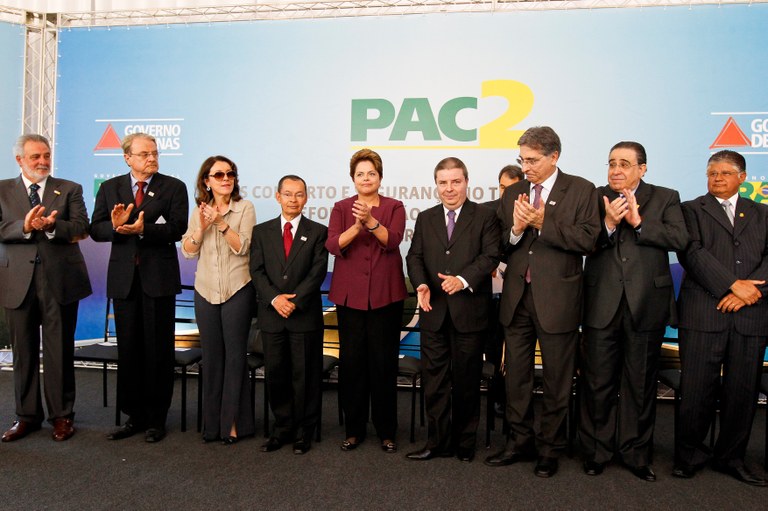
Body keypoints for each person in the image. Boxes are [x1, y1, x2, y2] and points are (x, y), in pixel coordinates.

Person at [486, 126, 600, 477]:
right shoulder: (514, 192)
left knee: (556, 379)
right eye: (522, 159)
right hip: (517, 298)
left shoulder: (582, 190)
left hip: (559, 300)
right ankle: (518, 441)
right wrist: (518, 230)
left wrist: (543, 221)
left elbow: (589, 239)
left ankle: (550, 448)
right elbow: (502, 245)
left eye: (532, 160)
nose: (526, 166)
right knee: (516, 378)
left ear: (554, 156)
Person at [580, 141, 689, 481]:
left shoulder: (666, 196)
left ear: (642, 168)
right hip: (601, 303)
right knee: (597, 382)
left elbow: (679, 239)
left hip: (647, 304)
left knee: (640, 384)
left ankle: (636, 454)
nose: (616, 169)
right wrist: (609, 225)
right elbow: (581, 241)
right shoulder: (593, 196)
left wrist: (639, 223)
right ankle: (596, 451)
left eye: (625, 163)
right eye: (612, 163)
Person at [674, 150, 768, 486]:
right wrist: (732, 285)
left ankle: (731, 457)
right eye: (712, 172)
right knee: (697, 389)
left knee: (742, 392)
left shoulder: (762, 213)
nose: (717, 178)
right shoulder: (689, 210)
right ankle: (689, 456)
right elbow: (691, 253)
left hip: (752, 314)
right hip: (703, 312)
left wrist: (749, 292)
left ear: (742, 177)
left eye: (725, 173)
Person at [90, 132, 188, 443]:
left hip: (157, 280)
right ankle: (133, 416)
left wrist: (143, 229)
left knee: (158, 350)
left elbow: (177, 228)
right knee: (129, 350)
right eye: (144, 154)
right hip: (124, 281)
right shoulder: (110, 188)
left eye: (155, 153)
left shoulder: (173, 186)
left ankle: (157, 418)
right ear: (127, 158)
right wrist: (118, 227)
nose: (152, 158)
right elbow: (96, 228)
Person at [405, 157, 501, 462]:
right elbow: (414, 256)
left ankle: (464, 443)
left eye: (455, 181)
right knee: (434, 383)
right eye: (443, 182)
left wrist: (462, 279)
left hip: (470, 313)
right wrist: (420, 283)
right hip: (434, 311)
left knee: (467, 383)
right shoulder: (426, 217)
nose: (449, 188)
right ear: (436, 185)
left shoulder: (485, 216)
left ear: (466, 182)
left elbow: (491, 255)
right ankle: (437, 442)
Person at [0, 134, 92, 442]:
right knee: (23, 352)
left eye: (46, 155)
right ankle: (26, 416)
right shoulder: (1, 190)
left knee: (60, 351)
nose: (42, 161)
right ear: (19, 160)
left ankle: (62, 416)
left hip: (60, 281)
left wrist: (53, 226)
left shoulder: (69, 189)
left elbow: (81, 227)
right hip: (17, 283)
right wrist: (24, 227)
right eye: (35, 157)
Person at [326, 149, 408, 453]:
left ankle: (387, 430)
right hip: (350, 299)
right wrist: (357, 225)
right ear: (353, 178)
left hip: (386, 296)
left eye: (371, 173)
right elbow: (333, 244)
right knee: (353, 365)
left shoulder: (394, 206)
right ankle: (354, 429)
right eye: (360, 174)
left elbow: (394, 240)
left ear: (380, 177)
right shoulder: (341, 207)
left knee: (384, 365)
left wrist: (371, 221)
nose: (366, 178)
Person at [250, 175, 328, 455]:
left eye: (299, 195)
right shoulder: (261, 232)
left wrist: (294, 301)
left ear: (306, 198)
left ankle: (304, 430)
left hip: (303, 315)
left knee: (305, 375)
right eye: (288, 194)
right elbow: (256, 271)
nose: (293, 200)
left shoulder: (319, 231)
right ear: (278, 196)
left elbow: (317, 272)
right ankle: (282, 428)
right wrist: (274, 298)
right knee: (277, 375)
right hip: (272, 316)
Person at [181, 156, 256, 444]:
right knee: (212, 359)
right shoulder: (198, 211)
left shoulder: (244, 208)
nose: (226, 178)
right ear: (206, 181)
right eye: (220, 174)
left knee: (236, 358)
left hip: (238, 289)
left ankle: (234, 422)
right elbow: (188, 251)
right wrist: (201, 226)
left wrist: (222, 224)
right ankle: (212, 425)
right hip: (205, 292)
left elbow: (243, 248)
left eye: (231, 174)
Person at [483, 164, 523, 417]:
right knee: (493, 348)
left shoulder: (528, 213)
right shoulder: (486, 211)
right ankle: (495, 397)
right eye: (501, 187)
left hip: (518, 291)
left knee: (516, 352)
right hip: (489, 293)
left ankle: (513, 398)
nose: (504, 192)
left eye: (510, 188)